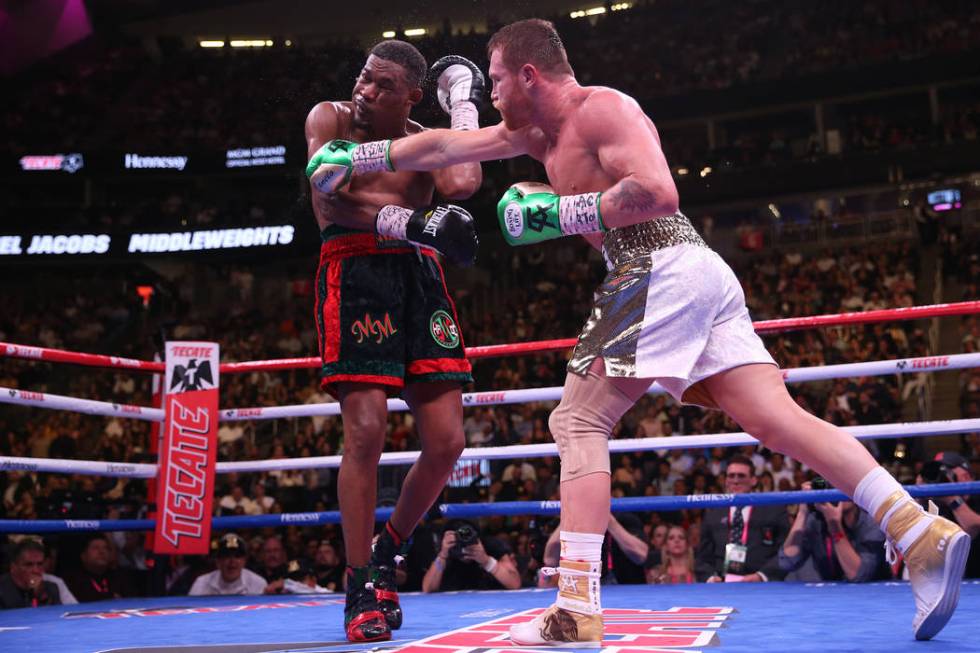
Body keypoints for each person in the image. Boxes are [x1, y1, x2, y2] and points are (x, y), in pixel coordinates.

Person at [306, 19, 969, 643]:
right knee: (776, 421)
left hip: (656, 261)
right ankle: (916, 529)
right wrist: (357, 156)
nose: (490, 92)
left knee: (577, 423)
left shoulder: (602, 107)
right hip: (690, 272)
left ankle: (575, 605)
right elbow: (448, 145)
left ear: (529, 75)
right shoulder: (538, 134)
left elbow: (658, 192)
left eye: (496, 79)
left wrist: (559, 213)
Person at [304, 39, 483, 642]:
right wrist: (411, 219)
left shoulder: (425, 138)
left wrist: (461, 101)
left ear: (410, 95)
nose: (364, 91)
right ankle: (359, 588)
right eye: (363, 77)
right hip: (353, 271)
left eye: (381, 86)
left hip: (416, 278)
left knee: (447, 440)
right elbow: (330, 191)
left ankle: (387, 551)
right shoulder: (327, 118)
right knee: (367, 430)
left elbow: (462, 181)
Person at [695, 456, 789, 583]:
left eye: (741, 476)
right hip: (721, 586)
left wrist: (761, 576)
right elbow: (703, 557)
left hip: (762, 586)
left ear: (753, 480)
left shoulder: (773, 511)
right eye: (731, 476)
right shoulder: (713, 514)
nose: (735, 481)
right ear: (725, 481)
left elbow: (785, 551)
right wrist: (711, 578)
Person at [779, 480, 887, 582]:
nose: (838, 492)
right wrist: (803, 512)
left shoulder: (871, 522)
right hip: (831, 596)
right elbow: (787, 562)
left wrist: (835, 527)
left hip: (873, 596)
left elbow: (858, 575)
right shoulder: (817, 519)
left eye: (843, 485)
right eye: (833, 485)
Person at [421, 520, 521, 592]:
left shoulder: (491, 546)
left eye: (467, 536)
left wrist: (486, 561)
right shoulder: (444, 552)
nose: (463, 542)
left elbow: (514, 583)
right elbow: (428, 588)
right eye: (458, 537)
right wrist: (442, 555)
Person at [188, 533, 267, 596]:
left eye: (237, 556)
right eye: (227, 556)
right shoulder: (202, 583)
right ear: (218, 562)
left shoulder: (258, 583)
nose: (232, 561)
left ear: (244, 561)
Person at [0, 539, 61, 608]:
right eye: (28, 564)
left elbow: (56, 616)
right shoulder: (2, 590)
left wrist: (41, 595)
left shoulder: (51, 589)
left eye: (40, 564)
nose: (36, 570)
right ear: (13, 567)